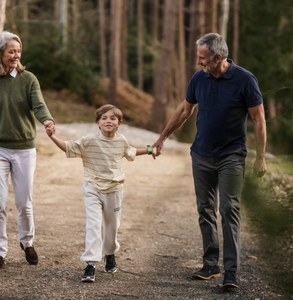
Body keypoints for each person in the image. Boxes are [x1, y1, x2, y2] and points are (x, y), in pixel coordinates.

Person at [152, 33, 267, 289]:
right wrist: (162, 137)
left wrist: (260, 158)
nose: (198, 62)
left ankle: (231, 272)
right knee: (205, 209)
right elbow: (184, 110)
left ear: (218, 57)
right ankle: (211, 264)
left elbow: (259, 119)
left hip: (232, 156)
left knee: (229, 210)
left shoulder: (245, 80)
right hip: (201, 154)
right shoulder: (198, 78)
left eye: (202, 58)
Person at [46, 104, 156, 282]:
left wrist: (152, 149)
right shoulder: (89, 140)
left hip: (114, 190)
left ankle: (110, 253)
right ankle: (90, 264)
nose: (108, 121)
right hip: (93, 188)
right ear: (97, 123)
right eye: (104, 118)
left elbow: (133, 152)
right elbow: (68, 147)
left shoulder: (121, 141)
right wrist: (52, 137)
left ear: (119, 123)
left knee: (112, 228)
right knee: (94, 225)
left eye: (113, 118)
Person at [0, 31, 55, 270]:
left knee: (23, 202)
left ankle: (27, 242)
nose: (16, 55)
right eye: (11, 51)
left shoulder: (29, 79)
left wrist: (47, 120)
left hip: (23, 150)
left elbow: (38, 105)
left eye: (18, 51)